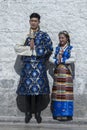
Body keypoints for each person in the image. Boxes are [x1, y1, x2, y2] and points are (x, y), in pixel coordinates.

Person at [14, 13, 53, 123]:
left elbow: (49, 48)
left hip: (39, 67)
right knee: (27, 91)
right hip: (27, 67)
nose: (33, 22)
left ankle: (37, 112)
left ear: (39, 22)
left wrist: (35, 50)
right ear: (29, 22)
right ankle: (27, 113)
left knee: (39, 91)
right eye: (31, 21)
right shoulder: (25, 35)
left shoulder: (44, 35)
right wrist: (29, 50)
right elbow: (17, 48)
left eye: (35, 21)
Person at [49, 31, 75, 121]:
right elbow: (50, 58)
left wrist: (63, 60)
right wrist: (56, 61)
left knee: (66, 94)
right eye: (60, 38)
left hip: (67, 74)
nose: (61, 39)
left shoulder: (70, 48)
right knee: (58, 93)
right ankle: (57, 113)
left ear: (67, 38)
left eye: (62, 38)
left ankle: (67, 114)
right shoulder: (57, 49)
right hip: (58, 74)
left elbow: (73, 59)